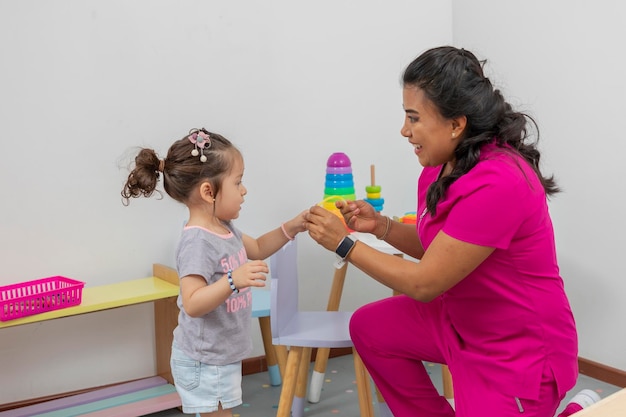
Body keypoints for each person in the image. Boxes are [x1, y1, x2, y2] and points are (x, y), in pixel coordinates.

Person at [304, 46, 579, 417]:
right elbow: (442, 249)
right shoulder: (440, 167)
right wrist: (382, 227)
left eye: (413, 118)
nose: (404, 130)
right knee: (370, 328)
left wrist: (343, 244)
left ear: (456, 123)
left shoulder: (501, 181)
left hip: (515, 349)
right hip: (462, 323)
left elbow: (425, 283)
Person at [121, 127, 306, 417]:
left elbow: (256, 247)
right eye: (238, 182)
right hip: (204, 360)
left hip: (218, 356)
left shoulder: (223, 227)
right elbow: (192, 303)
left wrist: (291, 227)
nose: (244, 190)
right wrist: (233, 280)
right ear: (209, 191)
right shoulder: (197, 241)